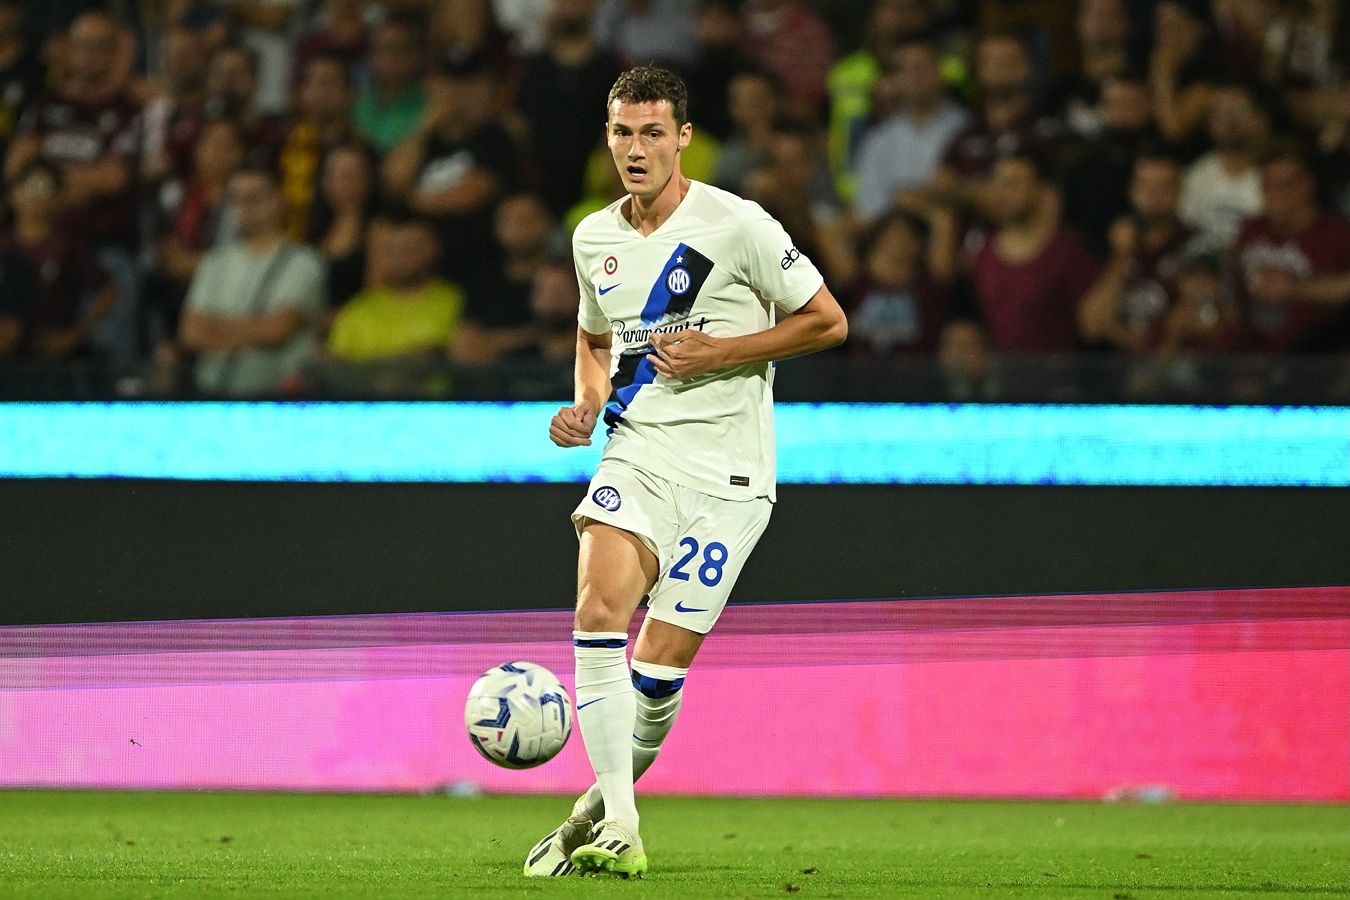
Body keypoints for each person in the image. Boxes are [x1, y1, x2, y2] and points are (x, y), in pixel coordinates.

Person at [531, 65, 847, 879]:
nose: (635, 149)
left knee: (657, 674)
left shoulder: (738, 225)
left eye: (650, 133)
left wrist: (722, 352)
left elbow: (827, 321)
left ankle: (589, 817)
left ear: (682, 138)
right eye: (621, 133)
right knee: (599, 607)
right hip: (639, 452)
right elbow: (596, 337)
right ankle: (626, 829)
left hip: (732, 479)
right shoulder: (593, 239)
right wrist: (587, 404)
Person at [179, 167, 325, 396]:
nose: (246, 206)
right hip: (212, 393)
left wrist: (216, 327)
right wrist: (254, 329)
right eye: (237, 199)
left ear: (278, 199)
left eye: (255, 197)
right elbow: (191, 331)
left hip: (276, 397)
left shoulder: (303, 263)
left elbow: (278, 329)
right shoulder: (215, 262)